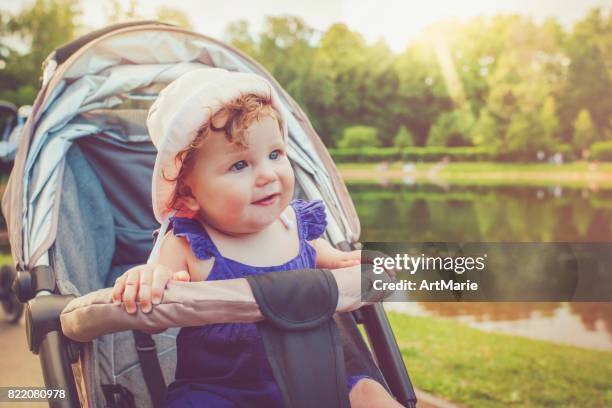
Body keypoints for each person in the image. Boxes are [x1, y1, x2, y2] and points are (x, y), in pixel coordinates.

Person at [111, 68, 403, 408]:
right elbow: (158, 280)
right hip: (223, 393)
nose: (267, 174)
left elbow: (318, 251)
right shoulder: (189, 245)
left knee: (368, 392)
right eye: (239, 165)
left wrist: (342, 261)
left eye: (275, 155)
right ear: (188, 192)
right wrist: (149, 277)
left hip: (312, 380)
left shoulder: (294, 223)